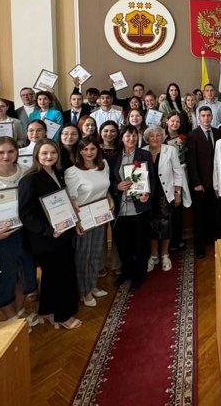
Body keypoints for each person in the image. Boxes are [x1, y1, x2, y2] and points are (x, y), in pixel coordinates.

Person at [18, 139, 81, 329]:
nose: (49, 157)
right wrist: (48, 230)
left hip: (63, 233)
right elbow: (26, 214)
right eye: (44, 153)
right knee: (59, 277)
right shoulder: (30, 179)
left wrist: (72, 210)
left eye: (53, 153)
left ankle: (46, 310)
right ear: (36, 154)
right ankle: (63, 316)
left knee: (53, 276)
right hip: (45, 238)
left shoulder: (57, 174)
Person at [0, 137, 39, 322]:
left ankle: (19, 311)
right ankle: (10, 317)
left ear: (17, 153)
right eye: (1, 152)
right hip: (2, 236)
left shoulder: (26, 172)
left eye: (11, 151)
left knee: (22, 274)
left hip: (24, 231)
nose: (6, 156)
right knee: (5, 276)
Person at [65, 137, 113, 307]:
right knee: (82, 255)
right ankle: (83, 291)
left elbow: (105, 188)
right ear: (79, 151)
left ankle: (92, 285)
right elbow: (71, 199)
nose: (89, 152)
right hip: (83, 217)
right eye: (85, 149)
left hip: (100, 215)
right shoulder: (73, 172)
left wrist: (110, 199)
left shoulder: (104, 165)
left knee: (95, 253)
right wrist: (76, 221)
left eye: (93, 149)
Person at [108, 126, 153, 289]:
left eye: (134, 136)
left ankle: (139, 275)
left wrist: (146, 194)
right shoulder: (114, 158)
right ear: (122, 137)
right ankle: (126, 271)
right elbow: (109, 181)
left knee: (140, 243)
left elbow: (151, 180)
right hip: (120, 209)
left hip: (139, 207)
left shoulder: (145, 155)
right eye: (128, 136)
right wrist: (116, 187)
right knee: (122, 243)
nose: (131, 139)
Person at [144, 125, 182, 273]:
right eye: (152, 136)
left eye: (158, 135)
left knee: (166, 224)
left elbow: (178, 172)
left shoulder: (170, 150)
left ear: (162, 137)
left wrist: (178, 192)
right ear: (147, 138)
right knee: (150, 225)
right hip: (147, 195)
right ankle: (154, 255)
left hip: (166, 193)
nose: (155, 138)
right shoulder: (143, 151)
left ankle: (165, 254)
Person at [186, 106, 218, 258]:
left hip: (215, 183)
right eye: (203, 116)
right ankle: (200, 248)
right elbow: (191, 162)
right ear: (199, 118)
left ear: (212, 117)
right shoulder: (193, 135)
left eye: (208, 115)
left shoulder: (218, 132)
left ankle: (210, 239)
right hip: (199, 183)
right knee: (199, 217)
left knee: (212, 214)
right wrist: (196, 182)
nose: (206, 118)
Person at [164, 112, 191, 251]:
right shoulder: (162, 139)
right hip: (167, 177)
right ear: (167, 121)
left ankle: (178, 238)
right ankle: (167, 242)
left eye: (177, 122)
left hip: (181, 175)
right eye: (172, 121)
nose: (175, 124)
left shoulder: (183, 138)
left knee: (178, 208)